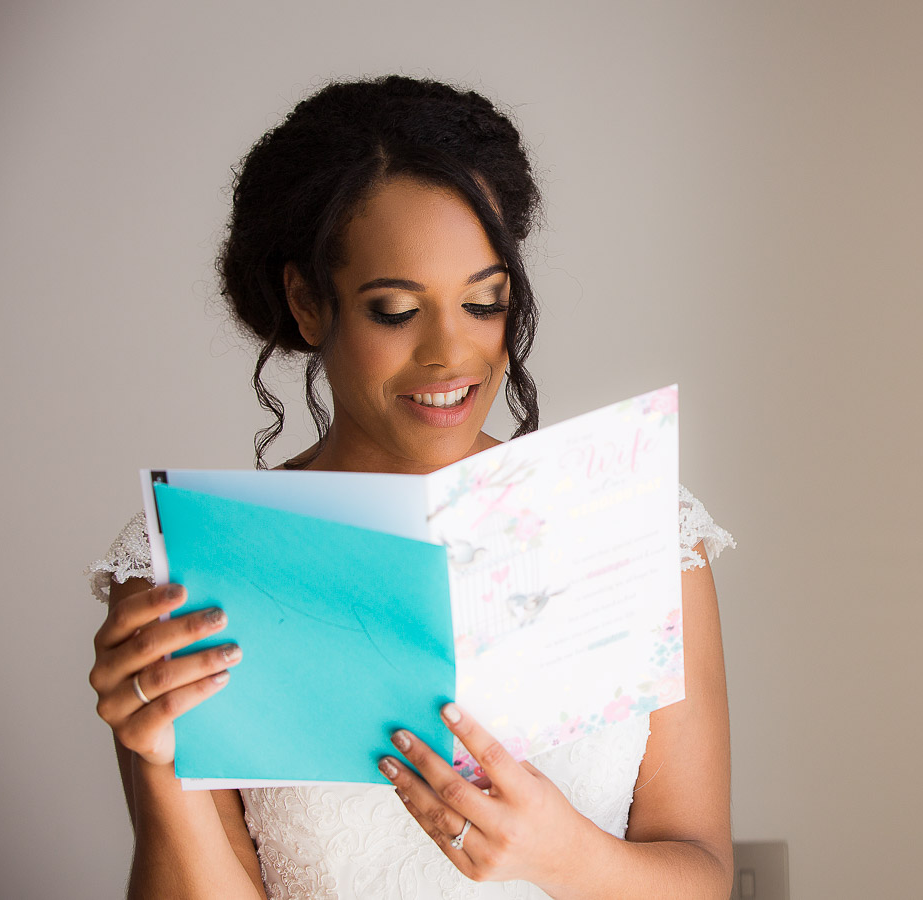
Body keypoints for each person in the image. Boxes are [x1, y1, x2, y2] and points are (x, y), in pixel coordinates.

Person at [83, 75, 736, 900]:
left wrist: (561, 854)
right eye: (395, 309)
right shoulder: (188, 561)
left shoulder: (642, 528)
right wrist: (156, 764)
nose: (450, 356)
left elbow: (705, 877)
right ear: (308, 303)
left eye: (484, 302)